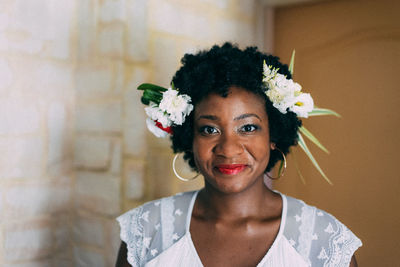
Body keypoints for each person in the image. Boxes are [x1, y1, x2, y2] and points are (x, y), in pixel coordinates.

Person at [116, 43, 362, 267]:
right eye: (209, 129)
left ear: (273, 136)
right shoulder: (145, 232)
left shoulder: (325, 243)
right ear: (189, 138)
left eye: (248, 128)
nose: (228, 148)